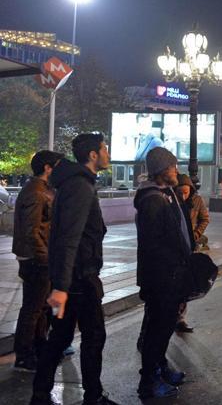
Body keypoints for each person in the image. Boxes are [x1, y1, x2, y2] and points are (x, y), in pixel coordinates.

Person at [31, 134, 118, 405]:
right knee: (93, 337)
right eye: (104, 149)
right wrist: (61, 286)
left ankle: (40, 395)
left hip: (73, 277)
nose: (107, 154)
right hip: (80, 278)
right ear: (93, 155)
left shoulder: (75, 183)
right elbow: (70, 236)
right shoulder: (80, 186)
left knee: (61, 336)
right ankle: (93, 396)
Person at [134, 148, 193, 399]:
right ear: (161, 169)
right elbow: (155, 244)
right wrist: (172, 273)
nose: (176, 170)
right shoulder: (152, 200)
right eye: (173, 166)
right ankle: (148, 381)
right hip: (162, 277)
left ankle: (160, 368)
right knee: (157, 330)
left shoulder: (166, 195)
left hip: (172, 275)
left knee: (165, 326)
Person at [12, 150, 63, 372]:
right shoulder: (36, 192)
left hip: (42, 257)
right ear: (47, 168)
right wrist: (43, 256)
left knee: (41, 307)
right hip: (36, 258)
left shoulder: (44, 190)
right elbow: (31, 231)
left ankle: (39, 347)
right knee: (33, 308)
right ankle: (24, 355)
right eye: (57, 166)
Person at [173, 174, 210, 334]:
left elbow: (205, 219)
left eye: (186, 192)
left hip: (190, 247)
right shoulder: (171, 202)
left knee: (185, 284)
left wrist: (196, 234)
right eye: (180, 192)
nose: (183, 195)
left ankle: (180, 318)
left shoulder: (197, 201)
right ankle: (173, 316)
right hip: (175, 248)